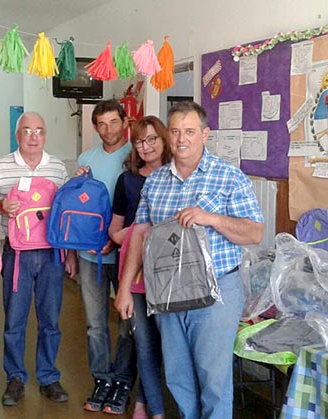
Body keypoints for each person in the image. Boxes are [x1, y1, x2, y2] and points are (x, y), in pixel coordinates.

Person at [118, 101, 264, 419]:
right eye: (175, 131)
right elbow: (140, 234)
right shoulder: (155, 182)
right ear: (168, 135)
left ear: (205, 134)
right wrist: (125, 288)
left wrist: (211, 218)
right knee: (178, 376)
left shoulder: (229, 177)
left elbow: (254, 232)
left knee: (213, 379)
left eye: (189, 131)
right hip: (167, 290)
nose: (181, 139)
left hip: (217, 293)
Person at [0, 112, 76, 407]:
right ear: (17, 135)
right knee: (14, 319)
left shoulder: (58, 168)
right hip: (16, 254)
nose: (33, 136)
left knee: (50, 319)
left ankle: (48, 376)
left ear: (45, 135)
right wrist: (1, 205)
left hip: (52, 253)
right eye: (27, 131)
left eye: (39, 131)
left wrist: (70, 255)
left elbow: (67, 215)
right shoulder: (1, 166)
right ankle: (15, 377)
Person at [75, 99, 136, 414]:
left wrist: (116, 241)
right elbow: (80, 208)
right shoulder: (86, 159)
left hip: (128, 255)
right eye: (101, 123)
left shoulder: (137, 155)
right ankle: (102, 378)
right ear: (95, 126)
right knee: (95, 324)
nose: (108, 129)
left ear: (125, 122)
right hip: (90, 255)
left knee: (128, 323)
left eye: (114, 122)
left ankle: (122, 381)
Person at [109, 116, 171, 419]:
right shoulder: (128, 179)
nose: (145, 147)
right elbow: (115, 231)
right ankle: (148, 407)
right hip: (134, 272)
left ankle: (148, 399)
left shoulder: (177, 175)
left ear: (163, 140)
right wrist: (139, 232)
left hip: (169, 273)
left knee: (166, 343)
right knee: (143, 341)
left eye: (151, 139)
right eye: (139, 141)